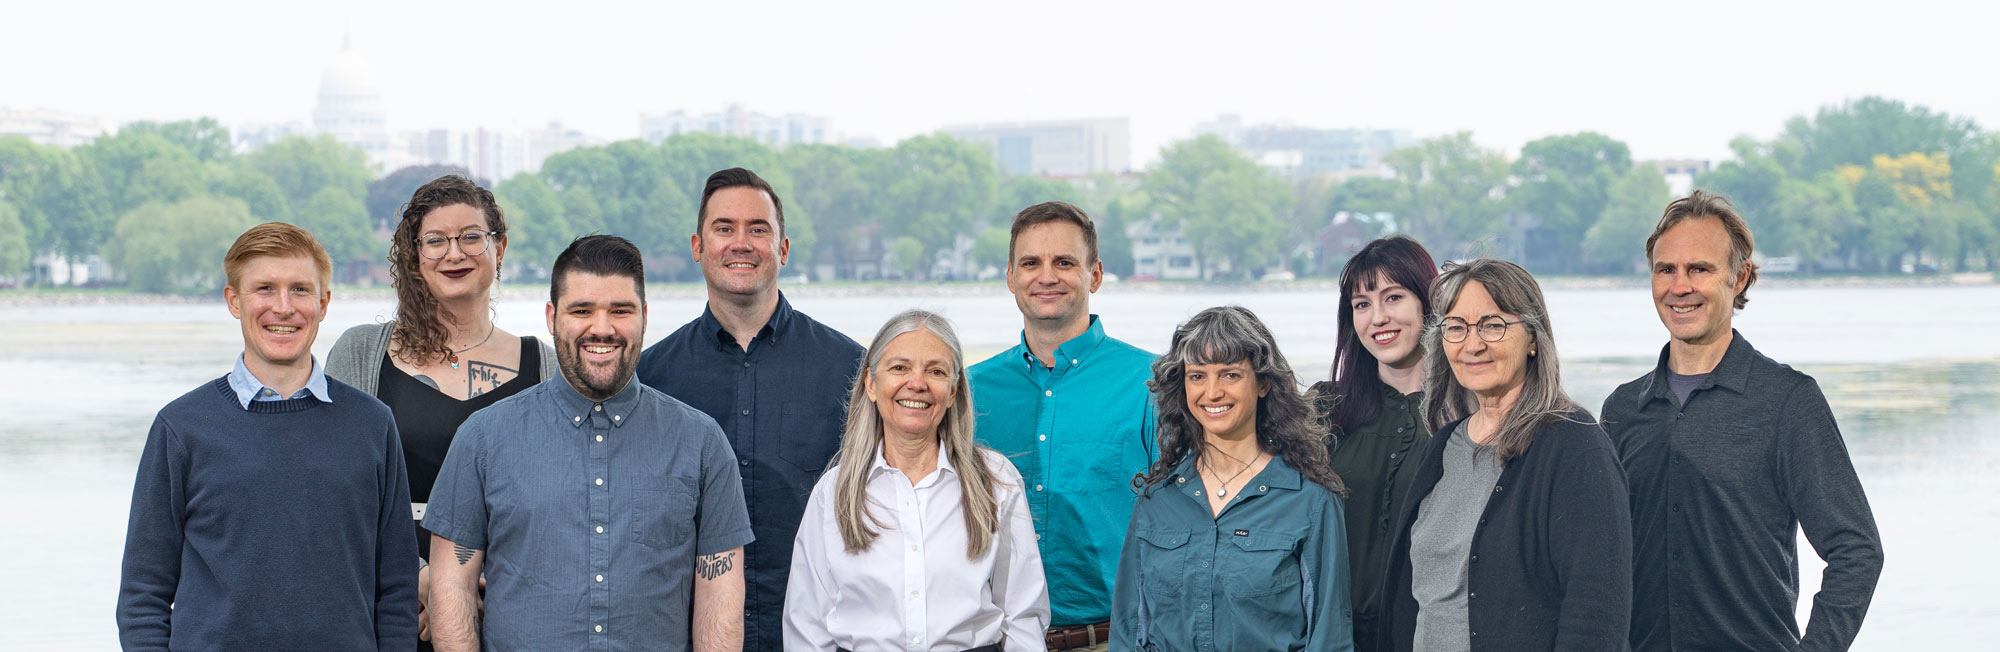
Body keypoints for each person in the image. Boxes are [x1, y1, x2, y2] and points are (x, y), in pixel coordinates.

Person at [422, 235, 754, 652]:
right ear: (552, 316)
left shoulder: (702, 443)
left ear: (645, 317)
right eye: (582, 310)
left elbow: (720, 603)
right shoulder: (483, 438)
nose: (602, 327)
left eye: (621, 310)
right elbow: (451, 588)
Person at [118, 222, 419, 650]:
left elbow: (397, 588)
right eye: (264, 289)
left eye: (299, 289)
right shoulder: (182, 428)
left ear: (324, 302)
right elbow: (142, 595)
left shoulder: (372, 425)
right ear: (234, 300)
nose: (283, 307)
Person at [1602, 191, 1882, 652]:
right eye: (1665, 269)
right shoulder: (1623, 408)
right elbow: (1597, 557)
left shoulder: (1788, 401)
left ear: (1739, 277)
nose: (1680, 285)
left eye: (1700, 269)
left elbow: (1857, 550)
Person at [638, 167, 865, 652]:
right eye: (724, 229)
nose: (740, 243)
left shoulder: (850, 369)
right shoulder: (649, 377)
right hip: (686, 634)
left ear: (782, 249)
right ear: (698, 247)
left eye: (757, 229)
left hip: (817, 633)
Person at [327, 174, 558, 647]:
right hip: (390, 604)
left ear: (500, 247)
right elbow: (334, 490)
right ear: (414, 255)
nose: (455, 253)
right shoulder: (359, 354)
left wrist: (470, 590)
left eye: (471, 237)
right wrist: (425, 581)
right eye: (435, 241)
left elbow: (561, 499)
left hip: (508, 606)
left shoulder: (547, 365)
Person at [1380, 258, 1631, 652]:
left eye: (1493, 325)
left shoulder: (1576, 447)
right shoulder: (1443, 446)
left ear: (1533, 338)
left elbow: (1597, 615)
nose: (1473, 344)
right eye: (1457, 327)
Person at [784, 309, 1050, 651]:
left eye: (936, 371)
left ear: (953, 392)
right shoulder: (833, 493)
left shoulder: (996, 482)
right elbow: (807, 629)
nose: (917, 383)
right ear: (871, 384)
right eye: (899, 368)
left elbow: (1022, 618)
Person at [969, 201, 1157, 652]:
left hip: (1113, 641)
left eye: (1064, 262)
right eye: (1031, 263)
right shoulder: (968, 390)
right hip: (993, 640)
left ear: (1094, 275)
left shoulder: (1152, 383)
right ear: (1010, 276)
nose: (1046, 276)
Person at [1111, 306, 1354, 652]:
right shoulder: (1156, 499)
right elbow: (1128, 630)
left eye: (1230, 375)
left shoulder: (1310, 499)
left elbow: (1330, 638)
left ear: (1264, 383)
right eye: (1197, 376)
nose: (1212, 393)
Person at [1306, 235, 1439, 649]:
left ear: (1428, 304)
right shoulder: (1323, 410)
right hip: (1332, 635)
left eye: (1393, 297)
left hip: (1432, 634)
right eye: (1362, 304)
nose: (1377, 317)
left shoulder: (1467, 413)